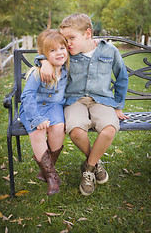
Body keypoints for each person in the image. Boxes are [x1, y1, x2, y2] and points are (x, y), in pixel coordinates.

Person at [35, 13, 129, 196]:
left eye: (71, 38)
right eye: (65, 39)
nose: (68, 44)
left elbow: (122, 77)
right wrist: (43, 61)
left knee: (109, 129)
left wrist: (118, 105)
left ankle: (89, 168)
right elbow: (48, 51)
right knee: (76, 131)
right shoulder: (68, 53)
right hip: (74, 100)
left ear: (87, 33)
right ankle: (96, 162)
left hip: (102, 100)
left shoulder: (109, 50)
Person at [19, 29, 69, 195]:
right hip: (33, 107)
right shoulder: (38, 72)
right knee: (38, 132)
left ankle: (46, 169)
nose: (59, 53)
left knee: (58, 127)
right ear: (44, 54)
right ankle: (51, 176)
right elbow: (27, 97)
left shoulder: (67, 67)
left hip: (54, 106)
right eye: (52, 51)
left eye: (62, 48)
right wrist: (36, 118)